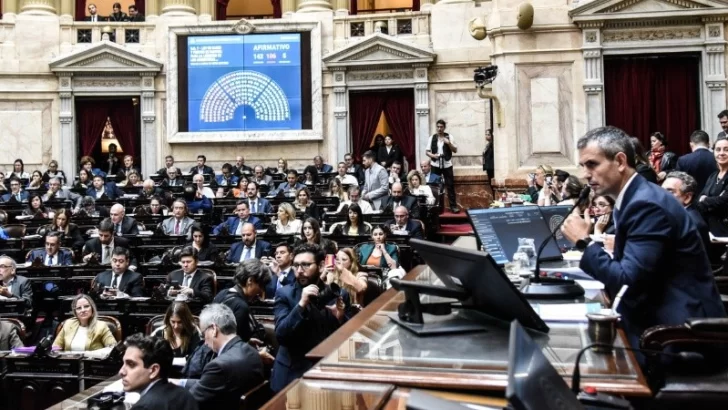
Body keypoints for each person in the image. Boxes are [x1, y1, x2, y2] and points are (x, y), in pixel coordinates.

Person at [560, 126, 726, 351]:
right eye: (583, 166)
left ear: (620, 161)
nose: (585, 174)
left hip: (676, 334)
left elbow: (627, 280)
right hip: (658, 318)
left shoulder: (645, 204)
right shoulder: (635, 197)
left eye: (592, 164)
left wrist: (585, 242)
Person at [271, 244, 349, 392]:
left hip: (326, 371)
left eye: (306, 265)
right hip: (291, 373)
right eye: (296, 266)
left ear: (321, 266)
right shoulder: (284, 294)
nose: (300, 271)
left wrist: (340, 319)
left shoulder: (338, 294)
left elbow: (348, 340)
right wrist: (301, 305)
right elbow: (281, 335)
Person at [180, 304, 265, 410]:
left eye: (203, 334)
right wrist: (180, 383)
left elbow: (189, 401)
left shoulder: (219, 366)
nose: (204, 342)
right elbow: (211, 383)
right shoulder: (252, 352)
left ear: (214, 329)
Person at [119, 334, 198, 410]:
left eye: (131, 364)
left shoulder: (143, 407)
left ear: (154, 370)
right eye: (123, 363)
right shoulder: (185, 395)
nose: (121, 372)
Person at [213, 259, 272, 342]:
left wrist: (247, 341)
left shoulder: (222, 293)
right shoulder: (241, 306)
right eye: (261, 285)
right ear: (250, 281)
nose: (261, 291)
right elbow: (234, 344)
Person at [663, 171, 710, 250]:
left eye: (670, 192)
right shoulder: (676, 217)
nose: (662, 195)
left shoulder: (693, 224)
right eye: (661, 190)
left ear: (687, 197)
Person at [426, 119, 459, 213]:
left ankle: (453, 206)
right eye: (438, 127)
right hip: (435, 164)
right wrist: (433, 156)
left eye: (441, 127)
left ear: (444, 128)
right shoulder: (432, 138)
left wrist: (448, 143)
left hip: (447, 164)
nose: (439, 129)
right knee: (434, 185)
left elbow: (455, 150)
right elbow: (427, 152)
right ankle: (434, 206)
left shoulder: (449, 137)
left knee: (450, 185)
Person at [676, 130, 717, 194]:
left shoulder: (682, 160)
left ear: (691, 144)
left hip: (691, 197)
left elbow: (678, 183)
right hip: (714, 196)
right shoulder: (718, 159)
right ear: (708, 144)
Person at [483, 128, 495, 196]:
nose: (486, 136)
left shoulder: (492, 145)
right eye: (486, 134)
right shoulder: (488, 145)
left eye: (488, 134)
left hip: (491, 168)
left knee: (492, 184)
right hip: (488, 167)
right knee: (490, 184)